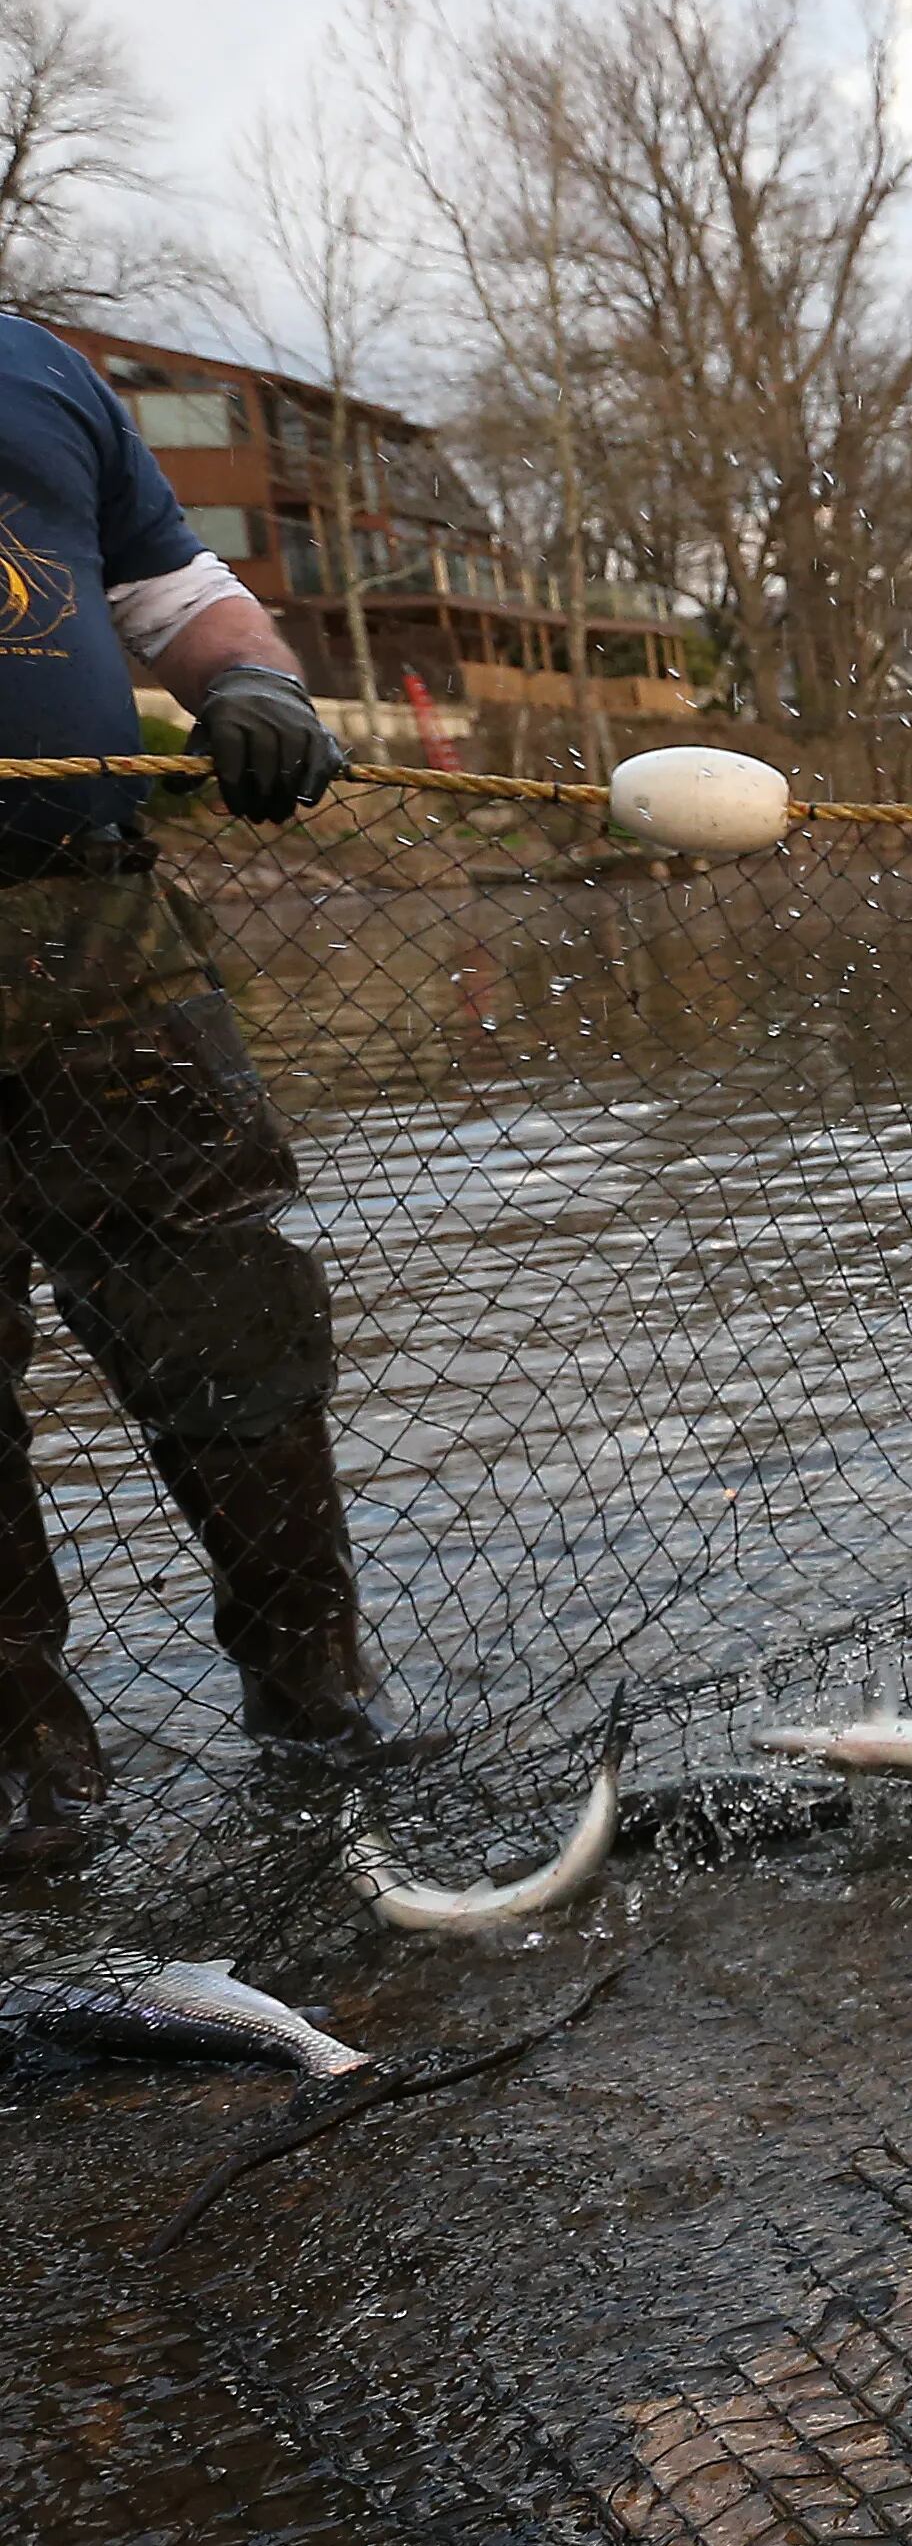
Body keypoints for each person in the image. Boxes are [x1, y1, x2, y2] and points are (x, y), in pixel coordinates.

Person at [0, 309, 419, 1830]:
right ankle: (31, 1790)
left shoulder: (43, 370)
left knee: (234, 1315)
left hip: (93, 921)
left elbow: (182, 594)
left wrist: (256, 687)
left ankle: (318, 1715)